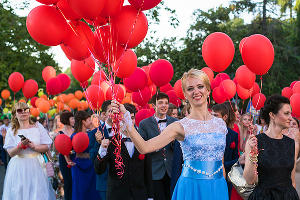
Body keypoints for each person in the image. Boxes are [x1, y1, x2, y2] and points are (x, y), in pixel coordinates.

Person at [112, 69, 229, 199]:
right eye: (190, 89)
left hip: (218, 187)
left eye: (200, 86)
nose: (196, 92)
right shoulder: (179, 126)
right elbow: (144, 147)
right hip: (191, 188)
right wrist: (128, 122)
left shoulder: (221, 124)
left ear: (208, 90)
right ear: (185, 94)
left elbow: (221, 162)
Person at [243, 95, 299, 200]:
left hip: (288, 197)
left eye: (290, 113)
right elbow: (249, 180)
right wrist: (252, 153)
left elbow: (292, 181)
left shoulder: (292, 144)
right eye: (286, 113)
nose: (291, 118)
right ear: (272, 115)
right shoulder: (254, 141)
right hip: (263, 197)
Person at [94, 103, 154, 200]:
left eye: (132, 118)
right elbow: (99, 169)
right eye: (125, 118)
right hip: (117, 195)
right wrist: (102, 149)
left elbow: (148, 172)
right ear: (118, 120)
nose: (129, 122)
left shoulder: (143, 140)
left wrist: (150, 196)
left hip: (139, 195)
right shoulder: (111, 142)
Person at [2, 102, 55, 200]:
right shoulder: (11, 130)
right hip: (18, 167)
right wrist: (20, 146)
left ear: (29, 112)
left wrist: (34, 147)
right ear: (15, 114)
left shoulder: (38, 127)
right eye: (20, 110)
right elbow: (10, 153)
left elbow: (46, 146)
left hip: (36, 165)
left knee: (37, 193)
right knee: (19, 192)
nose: (23, 112)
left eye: (26, 110)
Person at [138, 92, 178, 200]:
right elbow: (141, 147)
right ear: (154, 105)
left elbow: (180, 147)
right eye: (160, 103)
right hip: (154, 170)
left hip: (172, 170)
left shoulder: (176, 122)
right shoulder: (144, 124)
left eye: (166, 103)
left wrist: (174, 143)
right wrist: (157, 145)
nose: (164, 105)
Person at [69, 111, 99, 200]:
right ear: (83, 121)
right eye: (89, 119)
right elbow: (66, 151)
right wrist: (68, 160)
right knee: (80, 191)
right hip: (78, 166)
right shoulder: (74, 136)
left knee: (93, 191)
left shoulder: (93, 134)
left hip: (91, 165)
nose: (91, 121)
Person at [212, 103, 239, 199]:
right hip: (210, 175)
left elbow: (235, 158)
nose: (212, 118)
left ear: (225, 117)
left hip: (227, 176)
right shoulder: (208, 133)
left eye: (216, 115)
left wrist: (224, 165)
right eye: (212, 115)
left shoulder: (233, 135)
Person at [88, 100, 112, 200]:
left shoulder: (125, 130)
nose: (115, 114)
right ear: (104, 114)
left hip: (124, 182)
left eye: (117, 111)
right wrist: (99, 144)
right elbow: (92, 159)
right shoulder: (94, 133)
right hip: (105, 181)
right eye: (111, 111)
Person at [58, 111, 75, 200]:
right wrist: (68, 159)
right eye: (72, 118)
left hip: (75, 158)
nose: (74, 120)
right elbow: (60, 148)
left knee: (75, 181)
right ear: (67, 120)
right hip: (64, 160)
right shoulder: (60, 133)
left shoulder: (75, 130)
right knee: (68, 182)